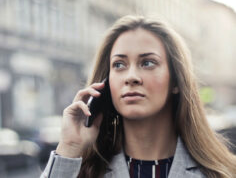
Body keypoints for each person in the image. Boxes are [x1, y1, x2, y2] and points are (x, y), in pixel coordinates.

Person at [40, 15, 236, 178]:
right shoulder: (83, 171)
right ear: (106, 84)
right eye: (119, 65)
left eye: (148, 63)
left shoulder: (222, 172)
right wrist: (69, 147)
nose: (131, 77)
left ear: (176, 81)